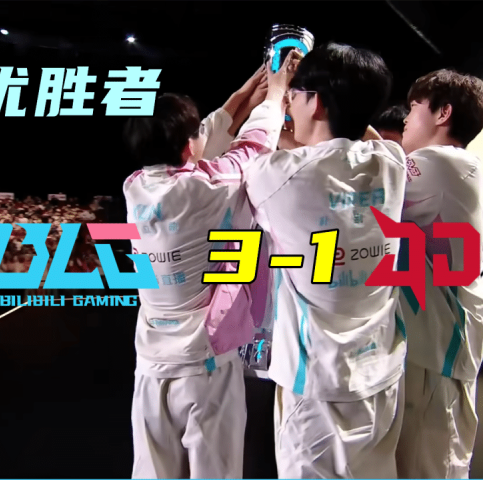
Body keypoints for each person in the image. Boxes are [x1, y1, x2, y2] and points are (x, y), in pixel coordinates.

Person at [123, 53, 300, 480]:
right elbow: (253, 147)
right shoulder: (208, 186)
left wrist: (249, 89)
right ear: (188, 146)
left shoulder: (134, 186)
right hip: (203, 366)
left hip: (151, 365)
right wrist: (276, 93)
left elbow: (208, 135)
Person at [242, 42, 409, 478]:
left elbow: (251, 152)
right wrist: (338, 91)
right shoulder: (391, 161)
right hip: (381, 373)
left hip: (316, 384)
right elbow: (355, 138)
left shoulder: (278, 177)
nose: (289, 105)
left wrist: (273, 93)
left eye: (296, 96)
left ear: (315, 102)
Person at [392, 69, 483, 479]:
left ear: (443, 113)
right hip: (428, 348)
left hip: (440, 355)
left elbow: (366, 183)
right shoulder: (446, 166)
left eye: (414, 106)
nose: (406, 117)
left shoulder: (442, 163)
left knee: (432, 468)